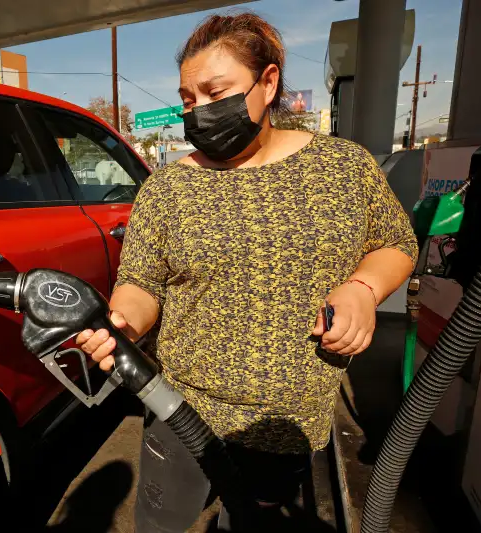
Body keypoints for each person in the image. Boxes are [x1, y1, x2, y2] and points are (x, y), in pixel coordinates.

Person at [75, 11, 418, 532]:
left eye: (216, 93)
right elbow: (140, 284)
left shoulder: (342, 167)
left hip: (286, 422)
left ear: (269, 81)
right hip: (178, 411)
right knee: (161, 524)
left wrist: (363, 289)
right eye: (190, 101)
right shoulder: (168, 189)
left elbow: (395, 242)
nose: (201, 112)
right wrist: (120, 323)